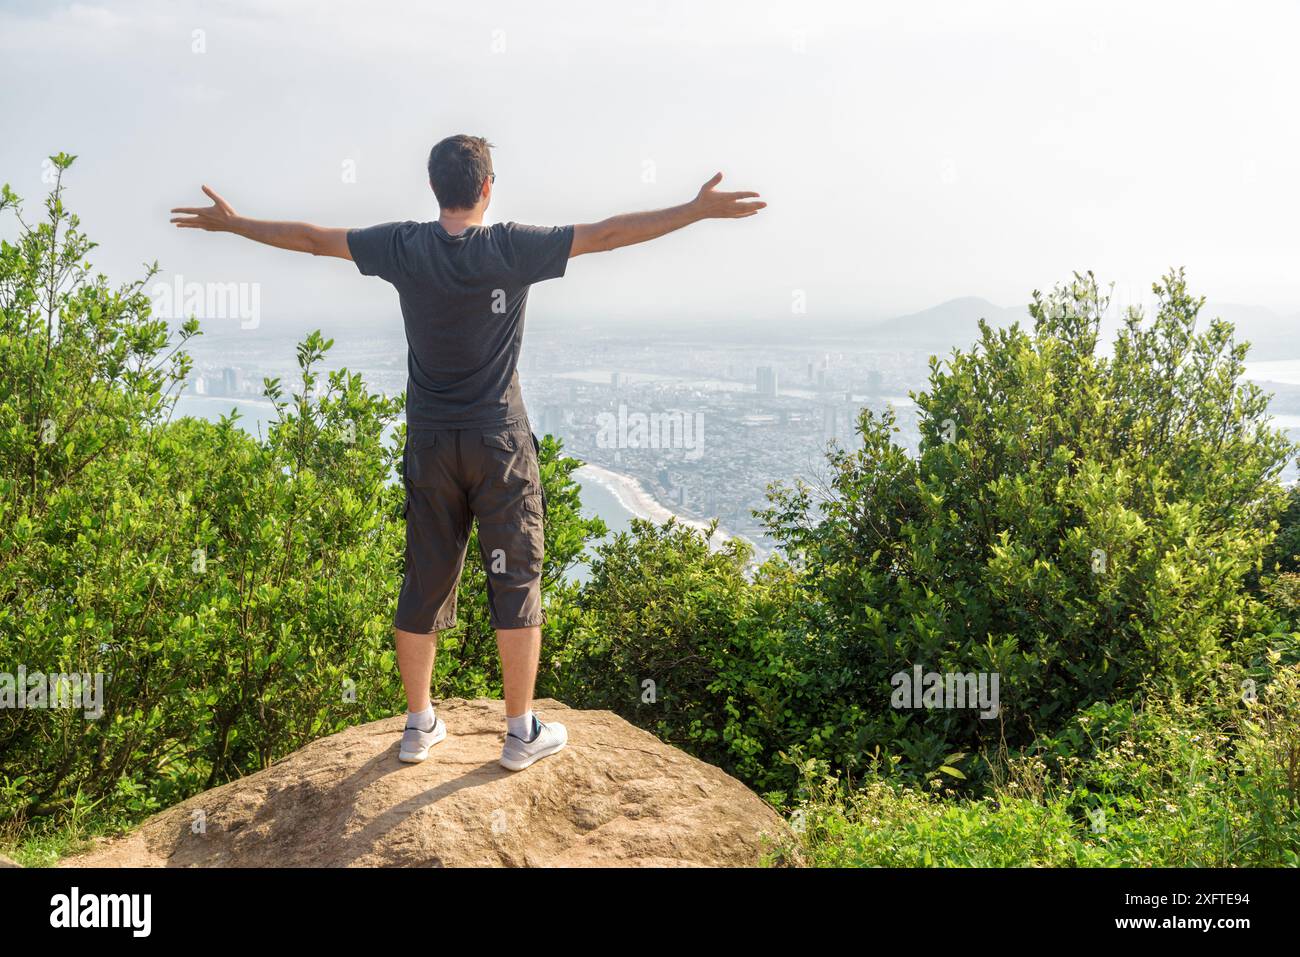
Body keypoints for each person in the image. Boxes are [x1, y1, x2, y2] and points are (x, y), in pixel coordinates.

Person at [170, 134, 765, 771]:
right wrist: (694, 210)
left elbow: (315, 239)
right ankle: (519, 734)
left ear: (435, 188)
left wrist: (233, 226)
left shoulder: (402, 245)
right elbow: (610, 234)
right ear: (487, 187)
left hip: (431, 443)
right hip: (498, 442)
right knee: (515, 581)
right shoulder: (511, 247)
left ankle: (419, 725)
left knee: (424, 578)